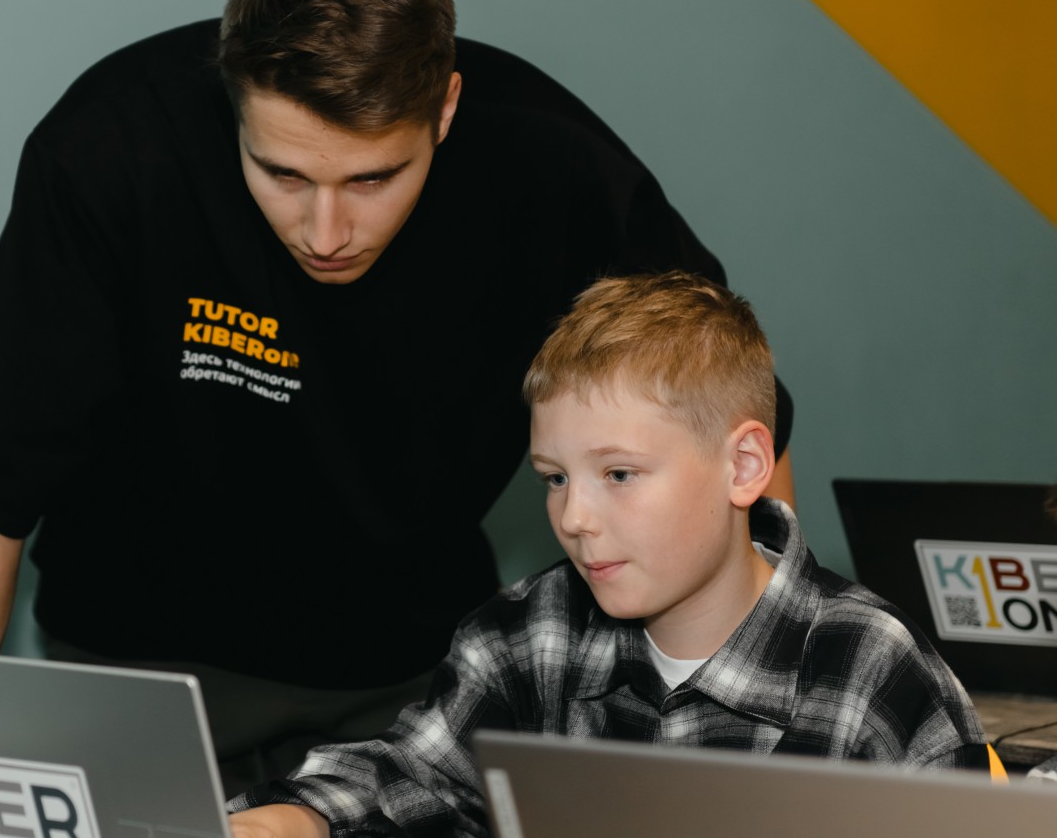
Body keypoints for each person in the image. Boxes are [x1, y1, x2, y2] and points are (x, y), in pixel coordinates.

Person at [0, 0, 795, 793]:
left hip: (414, 680)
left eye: (373, 178)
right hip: (137, 670)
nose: (325, 231)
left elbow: (731, 424)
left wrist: (753, 732)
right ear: (232, 104)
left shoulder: (555, 166)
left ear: (444, 109)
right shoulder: (111, 147)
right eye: (283, 173)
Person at [226, 271, 990, 838]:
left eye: (619, 474)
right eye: (554, 479)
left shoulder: (869, 667)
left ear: (744, 466)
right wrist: (296, 819)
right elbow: (408, 771)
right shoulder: (527, 636)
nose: (575, 517)